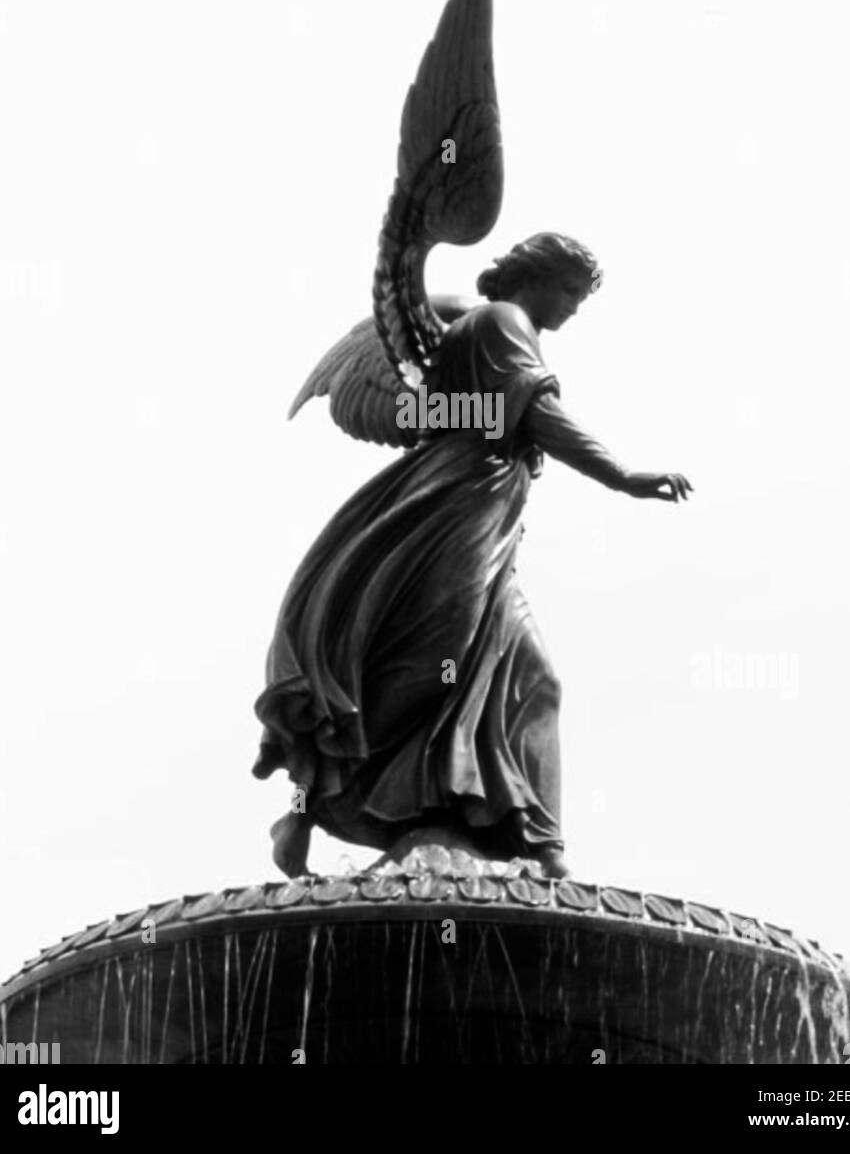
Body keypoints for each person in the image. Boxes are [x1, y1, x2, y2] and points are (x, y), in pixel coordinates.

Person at [252, 233, 692, 878]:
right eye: (568, 290)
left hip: (488, 527)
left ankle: (542, 848)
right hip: (451, 515)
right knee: (433, 666)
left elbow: (469, 411)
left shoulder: (482, 329)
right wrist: (623, 476)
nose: (572, 307)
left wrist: (475, 414)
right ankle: (305, 806)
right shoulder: (502, 321)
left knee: (532, 675)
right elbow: (536, 414)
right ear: (534, 277)